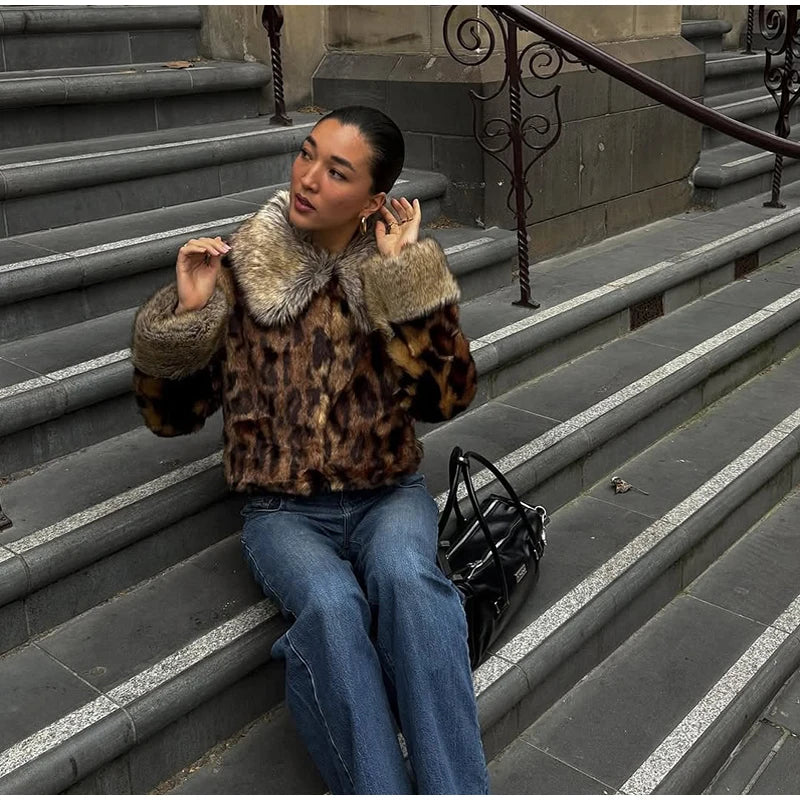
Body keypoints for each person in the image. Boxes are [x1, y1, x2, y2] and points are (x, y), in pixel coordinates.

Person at [130, 105, 488, 794]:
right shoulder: (240, 269)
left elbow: (447, 399)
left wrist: (406, 283)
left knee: (410, 583)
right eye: (306, 153)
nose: (308, 178)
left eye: (337, 171)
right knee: (330, 606)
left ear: (375, 201)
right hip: (282, 511)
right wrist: (188, 317)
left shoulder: (391, 269)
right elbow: (172, 419)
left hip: (388, 495)